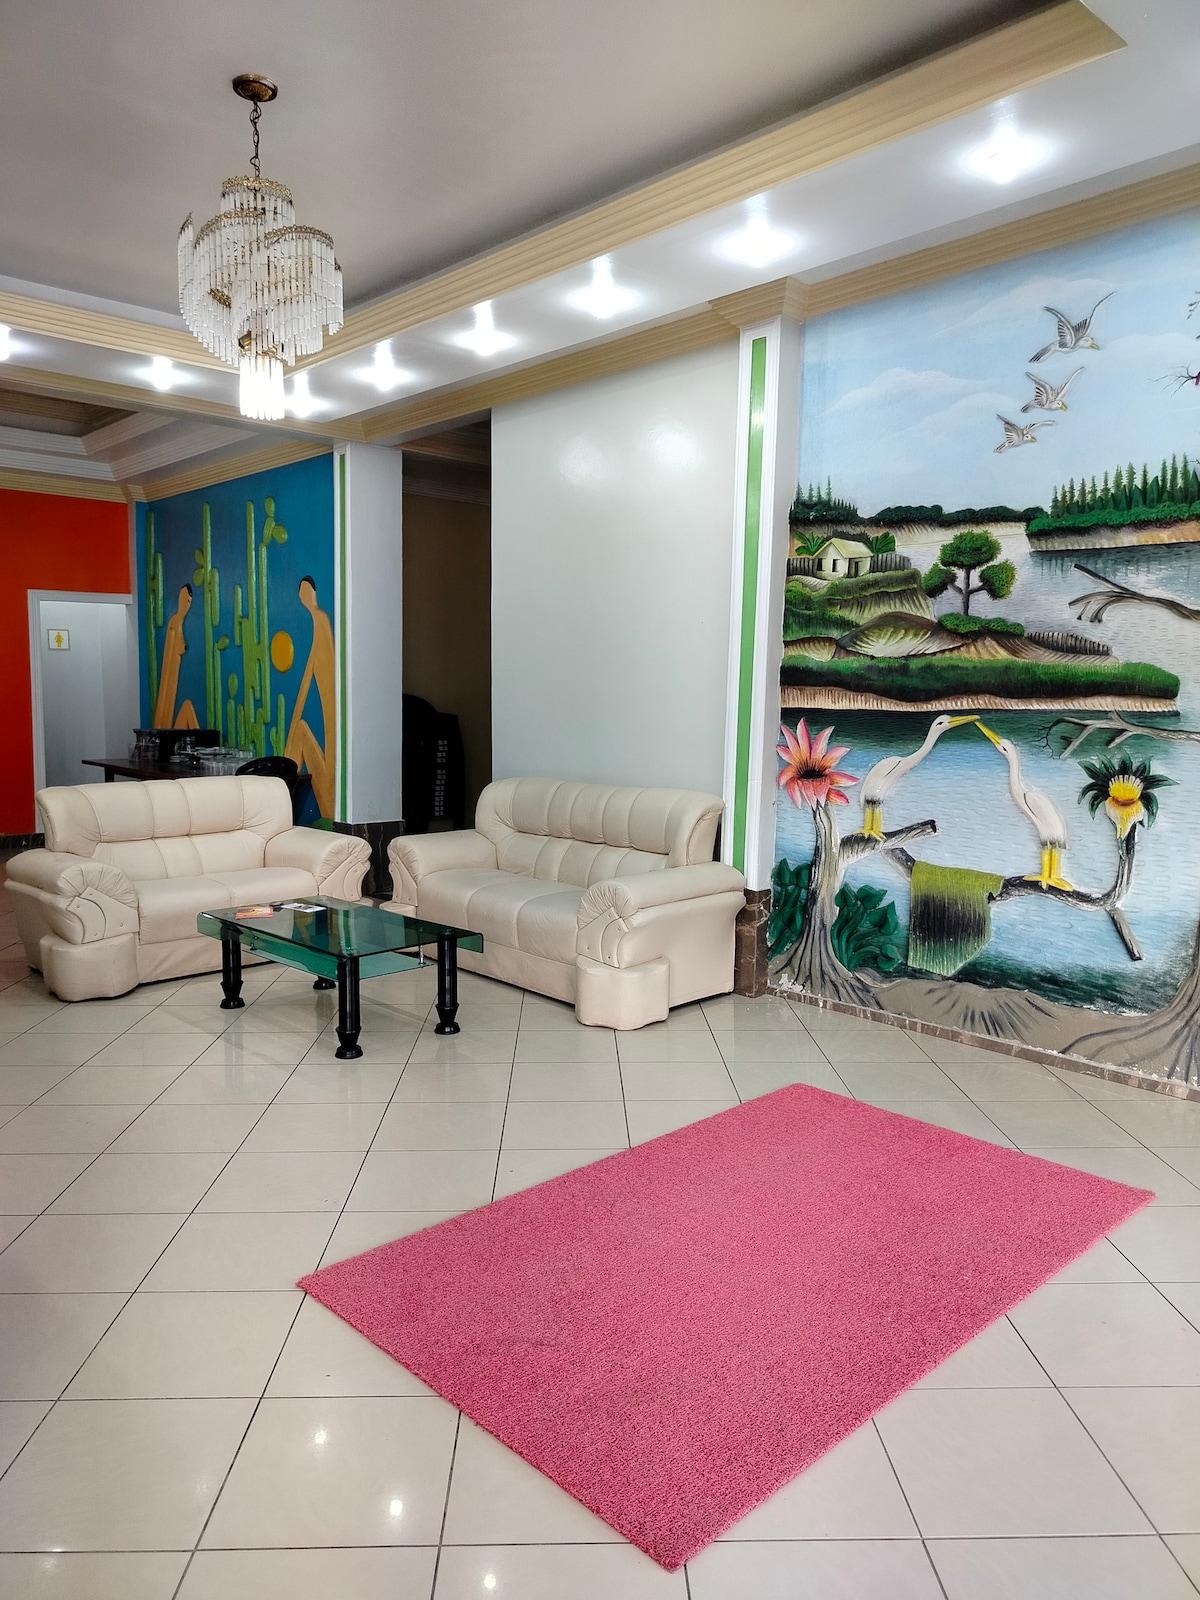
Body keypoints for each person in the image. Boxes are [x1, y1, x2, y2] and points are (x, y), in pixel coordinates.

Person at [285, 575, 336, 815]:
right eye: (302, 592)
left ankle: (285, 785)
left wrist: (303, 697)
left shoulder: (321, 618)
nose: (304, 596)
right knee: (300, 732)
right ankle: (285, 782)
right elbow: (310, 666)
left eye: (307, 591)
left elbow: (315, 662)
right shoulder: (317, 619)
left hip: (329, 693)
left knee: (316, 734)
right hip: (324, 687)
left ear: (312, 595)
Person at [153, 583, 199, 729]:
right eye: (186, 600)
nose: (187, 604)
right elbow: (180, 647)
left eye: (189, 601)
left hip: (173, 673)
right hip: (171, 673)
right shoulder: (175, 622)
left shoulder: (175, 621)